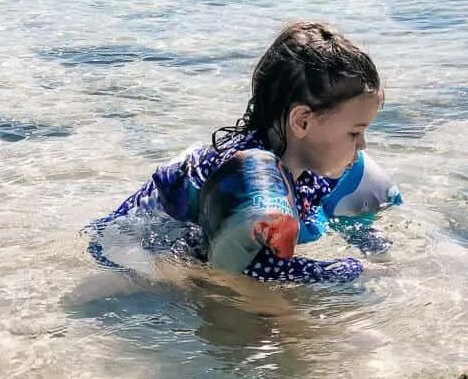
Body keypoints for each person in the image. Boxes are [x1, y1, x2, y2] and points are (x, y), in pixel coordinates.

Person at [90, 22, 401, 285]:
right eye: (355, 133)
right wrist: (353, 270)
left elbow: (332, 208)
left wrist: (372, 243)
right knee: (227, 301)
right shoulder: (250, 179)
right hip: (132, 248)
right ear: (302, 121)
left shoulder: (303, 160)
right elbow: (262, 272)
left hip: (188, 233)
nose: (362, 146)